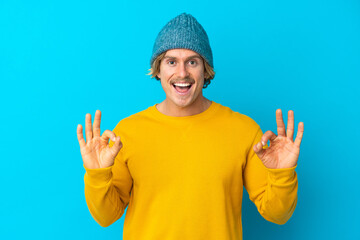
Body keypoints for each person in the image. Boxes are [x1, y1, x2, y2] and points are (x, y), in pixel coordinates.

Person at [76, 12, 304, 240]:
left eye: (192, 62)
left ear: (205, 70)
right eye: (171, 62)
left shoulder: (243, 130)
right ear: (158, 69)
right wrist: (97, 174)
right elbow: (105, 217)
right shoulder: (127, 133)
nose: (182, 73)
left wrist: (282, 174)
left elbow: (278, 214)